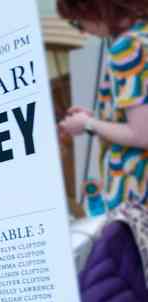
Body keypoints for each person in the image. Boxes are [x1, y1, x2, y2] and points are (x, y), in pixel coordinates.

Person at [57, 0, 148, 211]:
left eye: (78, 23)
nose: (83, 32)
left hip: (136, 193)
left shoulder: (127, 48)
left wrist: (88, 124)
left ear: (94, 10)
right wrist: (98, 119)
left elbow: (142, 133)